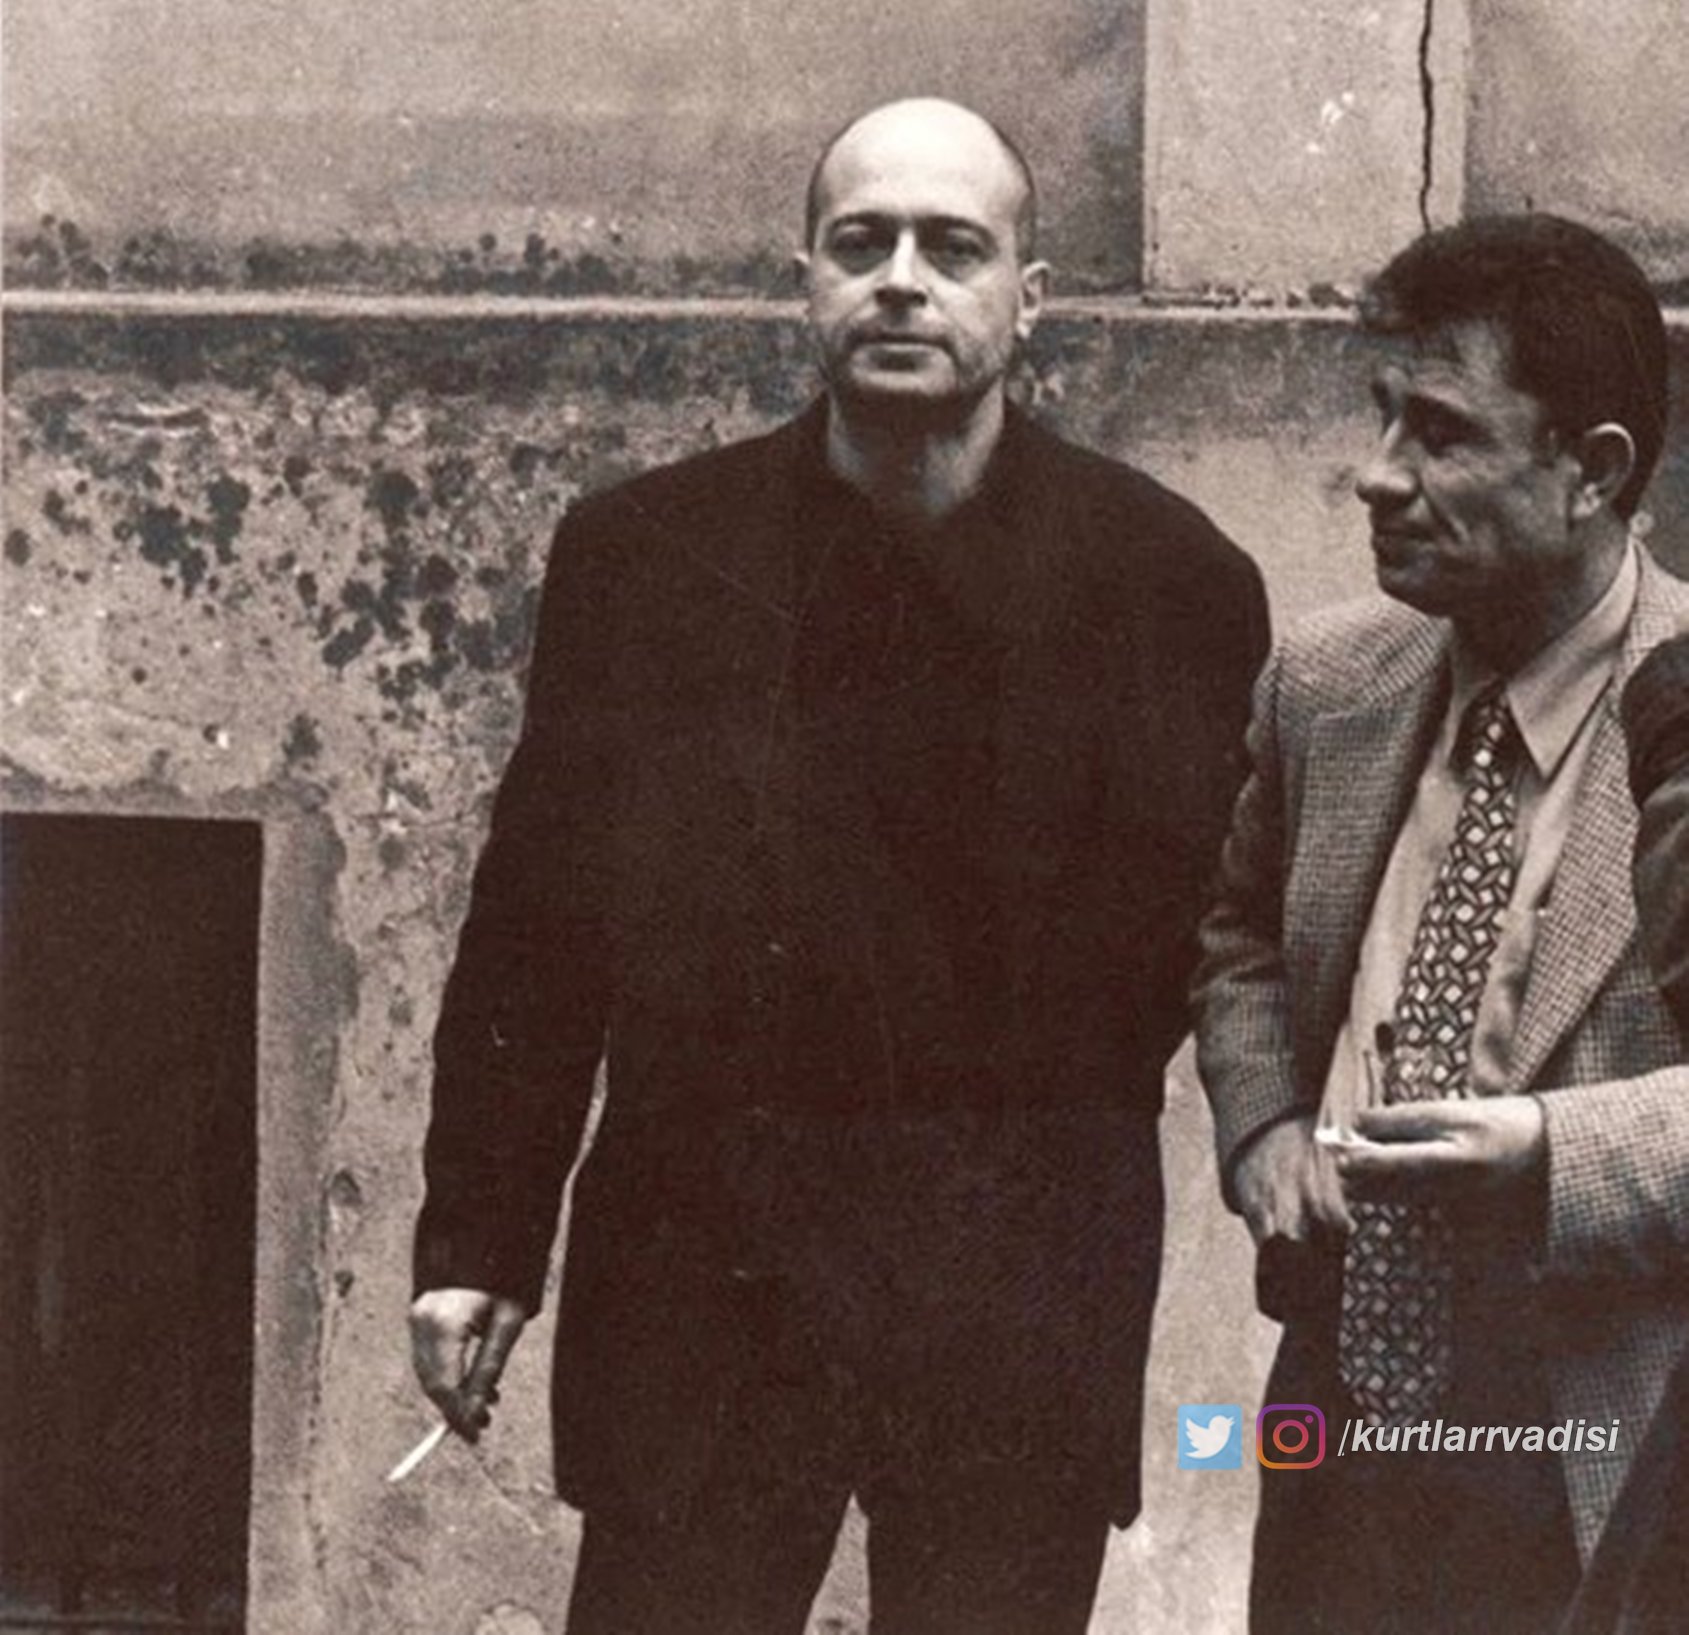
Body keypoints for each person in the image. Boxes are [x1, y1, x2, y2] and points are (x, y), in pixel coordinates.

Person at [408, 96, 1268, 1634]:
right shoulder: (646, 558)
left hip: (1011, 1284)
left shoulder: (1166, 581)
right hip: (708, 1272)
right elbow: (539, 929)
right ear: (803, 277)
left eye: (953, 248)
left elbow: (1189, 950)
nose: (901, 282)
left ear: (1028, 296)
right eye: (861, 243)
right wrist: (480, 1240)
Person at [1191, 213, 1689, 1634]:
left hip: (1598, 1430)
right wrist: (1262, 1126)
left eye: (1443, 434)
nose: (1377, 474)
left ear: (1592, 471)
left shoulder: (1688, 710)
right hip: (1341, 1396)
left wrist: (1549, 1155)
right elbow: (1238, 934)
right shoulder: (1326, 679)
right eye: (1381, 416)